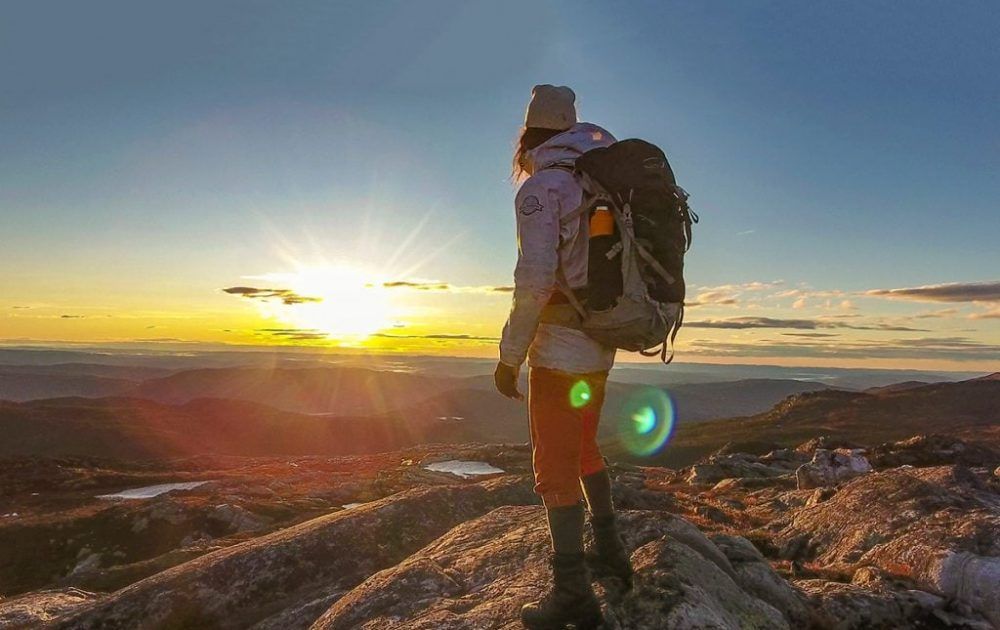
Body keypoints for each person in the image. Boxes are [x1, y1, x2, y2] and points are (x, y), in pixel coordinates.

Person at [495, 85, 633, 630]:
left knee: (553, 468)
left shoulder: (542, 188)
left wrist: (509, 357)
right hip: (601, 342)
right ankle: (611, 551)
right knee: (583, 448)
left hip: (558, 348)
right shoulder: (598, 182)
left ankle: (573, 595)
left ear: (529, 134)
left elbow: (533, 281)